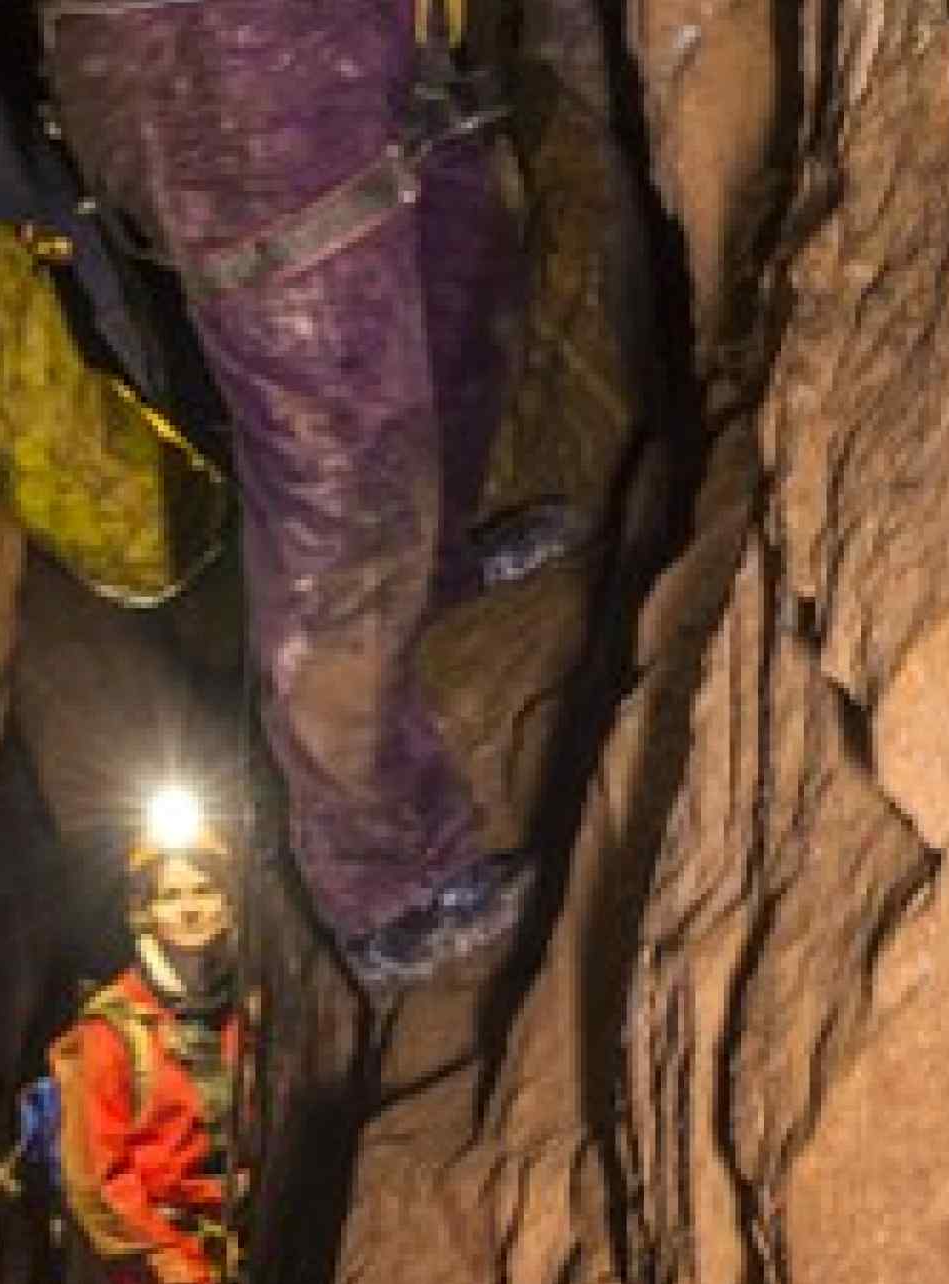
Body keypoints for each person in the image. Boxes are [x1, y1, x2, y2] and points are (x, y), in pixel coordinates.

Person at [38, 0, 576, 989]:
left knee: (463, 298)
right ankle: (385, 872)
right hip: (231, 92)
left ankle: (440, 575)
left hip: (353, 42)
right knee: (345, 478)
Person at [52, 820, 248, 1284]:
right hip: (158, 1257)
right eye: (170, 895)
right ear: (146, 912)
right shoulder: (113, 1028)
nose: (189, 910)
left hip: (249, 1236)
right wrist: (171, 1259)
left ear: (230, 903)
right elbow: (98, 1180)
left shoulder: (256, 1008)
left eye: (204, 890)